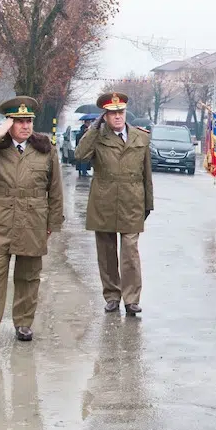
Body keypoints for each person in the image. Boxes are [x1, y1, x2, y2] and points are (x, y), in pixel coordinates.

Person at [0, 97, 64, 342]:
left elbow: (55, 188)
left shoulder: (45, 148)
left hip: (33, 219)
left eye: (28, 120)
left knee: (28, 275)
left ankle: (23, 324)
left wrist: (53, 222)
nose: (26, 126)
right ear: (9, 123)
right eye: (19, 121)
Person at [74, 92, 154, 317]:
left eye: (120, 112)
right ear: (105, 116)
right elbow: (80, 155)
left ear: (125, 113)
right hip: (104, 200)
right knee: (107, 252)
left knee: (130, 252)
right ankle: (111, 295)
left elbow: (146, 173)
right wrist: (93, 129)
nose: (117, 117)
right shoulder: (97, 137)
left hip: (132, 201)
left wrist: (148, 203)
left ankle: (131, 299)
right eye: (111, 113)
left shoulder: (141, 137)